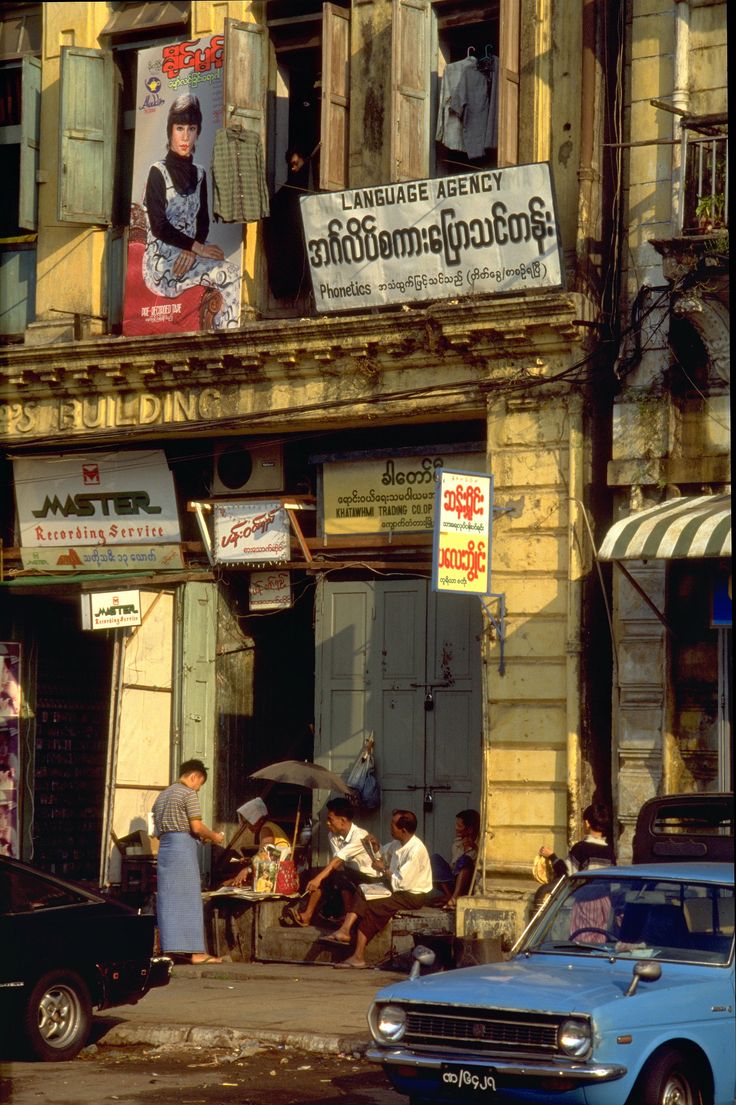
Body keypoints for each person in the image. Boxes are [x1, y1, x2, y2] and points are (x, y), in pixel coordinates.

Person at [141, 94, 240, 329]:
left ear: (198, 132)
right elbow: (159, 226)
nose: (185, 136)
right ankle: (223, 346)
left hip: (189, 256)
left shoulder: (200, 173)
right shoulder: (157, 171)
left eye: (192, 129)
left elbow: (202, 222)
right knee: (229, 275)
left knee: (232, 272)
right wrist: (197, 248)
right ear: (170, 131)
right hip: (163, 261)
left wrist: (193, 252)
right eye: (179, 128)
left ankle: (223, 340)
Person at [331, 809, 433, 969]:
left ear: (403, 830)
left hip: (411, 895)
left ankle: (358, 956)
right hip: (396, 888)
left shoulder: (416, 850)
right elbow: (384, 855)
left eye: (393, 824)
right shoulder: (398, 843)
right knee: (363, 890)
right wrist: (376, 847)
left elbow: (402, 882)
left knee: (375, 907)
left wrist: (384, 870)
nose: (390, 827)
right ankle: (345, 929)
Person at [151, 758, 225, 964]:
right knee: (190, 899)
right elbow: (196, 826)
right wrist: (214, 836)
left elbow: (156, 831)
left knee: (169, 900)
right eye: (199, 784)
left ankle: (171, 949)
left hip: (165, 849)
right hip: (182, 849)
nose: (198, 789)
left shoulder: (162, 796)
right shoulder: (187, 793)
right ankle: (197, 953)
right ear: (195, 777)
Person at [281, 796, 382, 927]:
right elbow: (336, 864)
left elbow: (338, 860)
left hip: (370, 879)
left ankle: (347, 919)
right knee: (329, 875)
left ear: (343, 820)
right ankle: (307, 915)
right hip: (351, 876)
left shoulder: (360, 836)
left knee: (335, 875)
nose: (328, 823)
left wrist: (318, 878)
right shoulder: (333, 836)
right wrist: (320, 878)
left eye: (330, 819)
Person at [534, 802, 616, 913]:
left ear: (587, 823)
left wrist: (552, 856)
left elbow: (566, 873)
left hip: (585, 903)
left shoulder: (581, 848)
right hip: (605, 904)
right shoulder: (609, 851)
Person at [263, 143, 312, 300]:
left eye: (296, 164)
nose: (293, 169)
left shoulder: (311, 183)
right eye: (291, 165)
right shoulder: (291, 189)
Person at [222, 797, 291, 888]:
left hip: (279, 876)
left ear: (259, 819)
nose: (247, 826)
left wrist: (248, 869)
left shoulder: (265, 829)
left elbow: (266, 854)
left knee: (229, 885)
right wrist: (251, 861)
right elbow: (270, 853)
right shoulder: (271, 826)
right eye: (245, 822)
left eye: (248, 821)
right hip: (281, 873)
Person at [431, 808, 480, 909]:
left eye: (459, 826)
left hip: (470, 884)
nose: (456, 828)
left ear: (470, 829)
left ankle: (454, 897)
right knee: (434, 859)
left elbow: (482, 865)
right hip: (456, 879)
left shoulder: (481, 843)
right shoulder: (457, 843)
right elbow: (453, 867)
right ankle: (451, 897)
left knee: (465, 860)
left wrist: (475, 847)